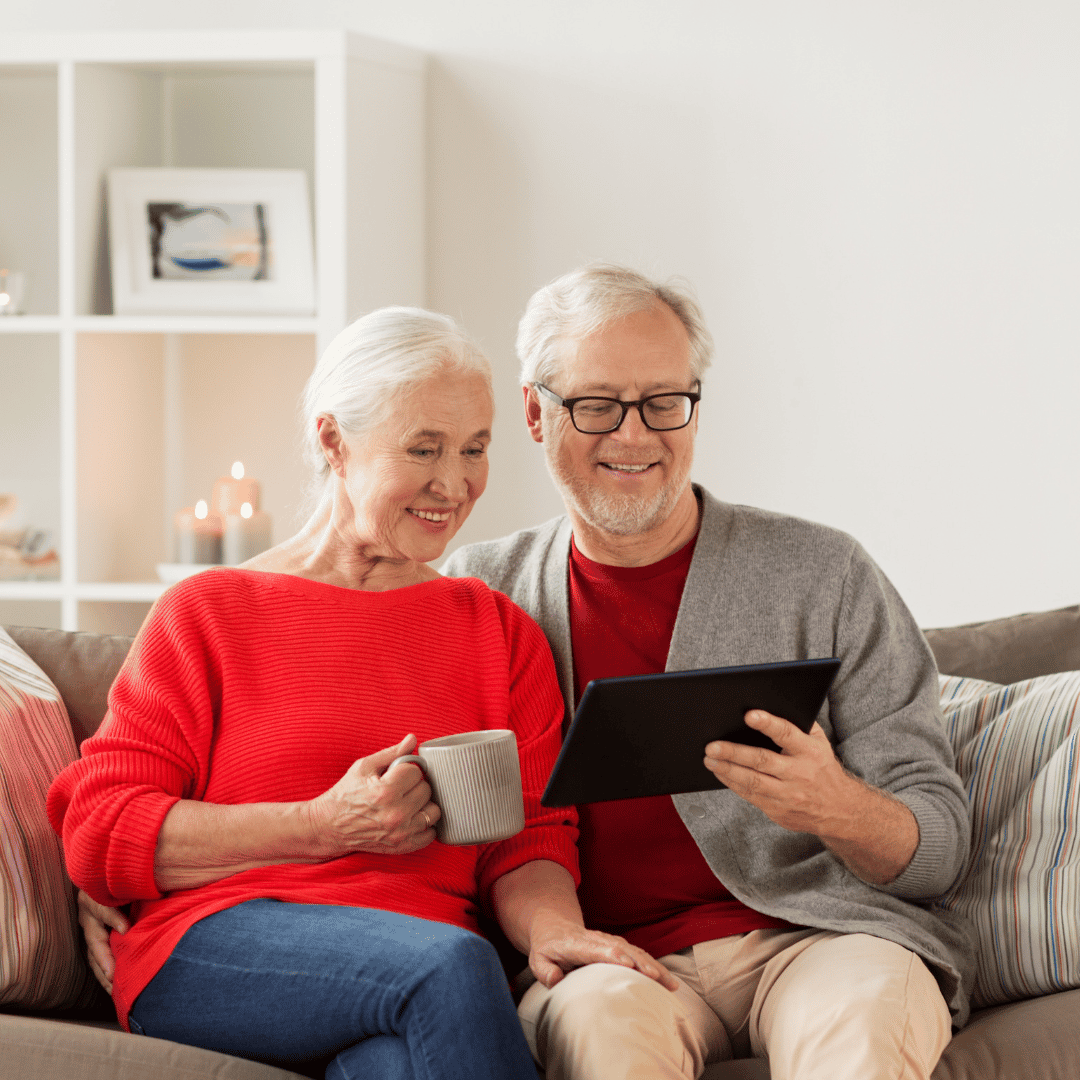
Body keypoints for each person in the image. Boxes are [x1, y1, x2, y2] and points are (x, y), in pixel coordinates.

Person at [49, 306, 676, 1080]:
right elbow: (102, 831)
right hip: (222, 948)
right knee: (448, 965)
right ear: (334, 440)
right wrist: (319, 826)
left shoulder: (496, 631)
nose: (455, 483)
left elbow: (532, 838)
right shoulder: (209, 611)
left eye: (475, 448)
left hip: (418, 976)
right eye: (424, 448)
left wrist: (552, 930)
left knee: (400, 1063)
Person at [437, 265, 975, 1080]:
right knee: (601, 1031)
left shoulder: (822, 571)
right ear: (534, 413)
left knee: (865, 1021)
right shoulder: (478, 593)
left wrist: (839, 808)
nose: (634, 435)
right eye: (595, 404)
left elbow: (939, 850)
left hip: (823, 941)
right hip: (610, 964)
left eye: (663, 401)